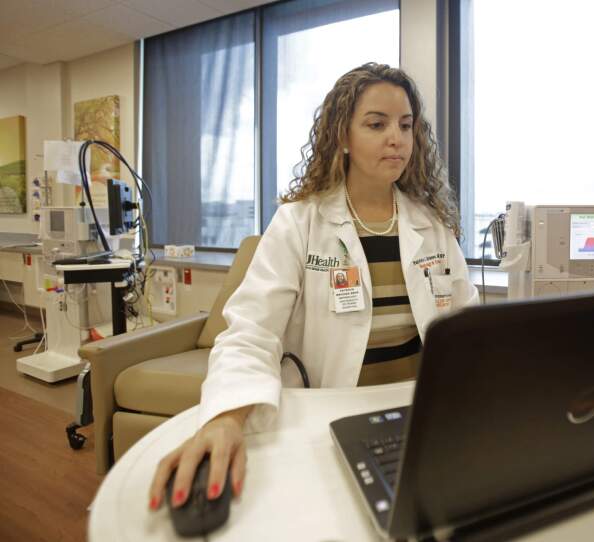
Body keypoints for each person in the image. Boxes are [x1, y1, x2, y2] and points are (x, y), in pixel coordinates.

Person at [148, 63, 478, 512]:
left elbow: (468, 329)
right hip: (330, 416)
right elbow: (251, 330)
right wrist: (225, 418)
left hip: (420, 415)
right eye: (376, 124)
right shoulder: (300, 221)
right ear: (342, 136)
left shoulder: (431, 224)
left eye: (405, 125)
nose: (396, 138)